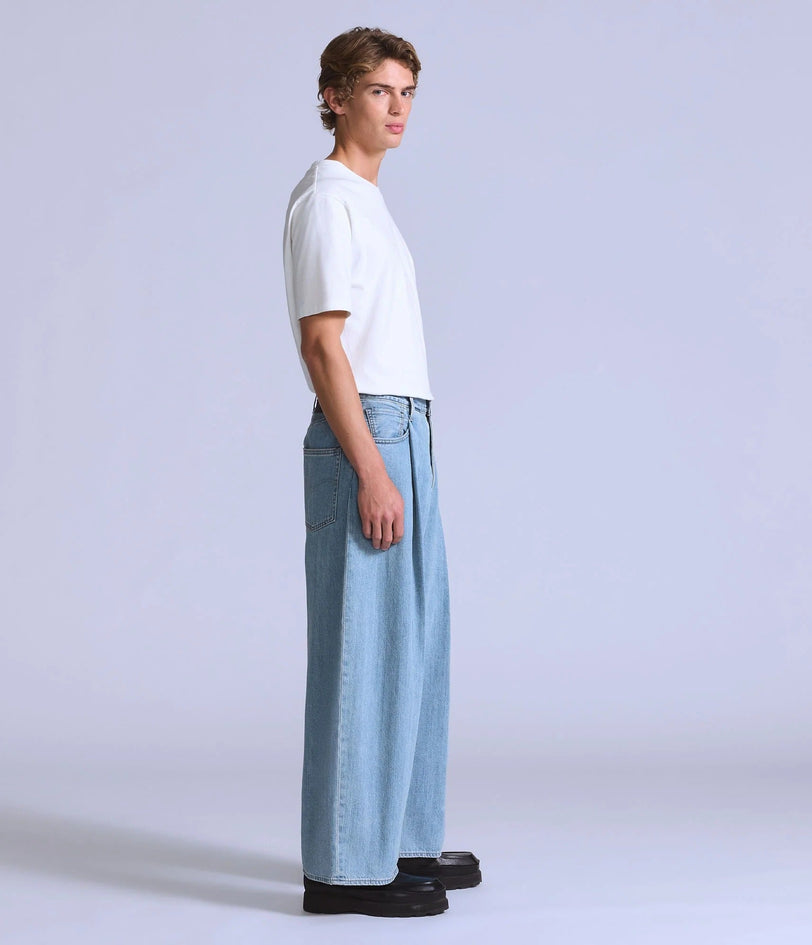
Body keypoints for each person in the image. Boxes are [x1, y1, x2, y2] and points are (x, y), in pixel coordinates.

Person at [281, 26, 481, 918]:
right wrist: (370, 467)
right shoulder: (328, 200)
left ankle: (399, 838)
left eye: (407, 93)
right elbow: (322, 346)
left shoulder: (366, 199)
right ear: (334, 97)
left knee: (415, 643)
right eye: (378, 91)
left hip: (405, 426)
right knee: (364, 649)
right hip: (367, 430)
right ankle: (341, 869)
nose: (398, 109)